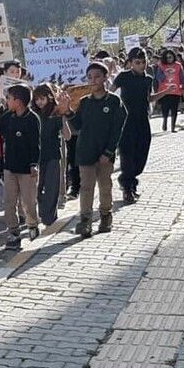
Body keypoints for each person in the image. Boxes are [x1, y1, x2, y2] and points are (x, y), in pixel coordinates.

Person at [0, 82, 41, 250]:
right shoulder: (7, 116)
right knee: (9, 201)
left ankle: (32, 224)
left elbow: (35, 144)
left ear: (18, 101)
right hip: (10, 167)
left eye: (9, 98)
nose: (6, 101)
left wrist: (34, 164)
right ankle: (13, 233)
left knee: (28, 201)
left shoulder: (32, 119)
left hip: (27, 169)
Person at [67, 63, 128, 238]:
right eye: (90, 77)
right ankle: (85, 221)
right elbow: (77, 125)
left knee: (105, 186)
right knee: (86, 187)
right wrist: (67, 112)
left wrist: (109, 152)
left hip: (104, 155)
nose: (93, 80)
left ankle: (105, 215)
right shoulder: (85, 102)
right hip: (86, 151)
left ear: (105, 77)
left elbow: (118, 128)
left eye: (97, 76)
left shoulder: (114, 101)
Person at [113, 49, 155, 203]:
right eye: (138, 62)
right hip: (126, 121)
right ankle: (127, 187)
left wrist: (166, 92)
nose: (141, 65)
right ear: (130, 63)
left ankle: (130, 180)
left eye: (144, 62)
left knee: (141, 154)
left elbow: (149, 98)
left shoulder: (148, 79)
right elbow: (111, 91)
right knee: (127, 155)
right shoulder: (123, 77)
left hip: (142, 120)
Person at [33, 84, 71, 227]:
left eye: (42, 98)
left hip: (53, 155)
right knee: (36, 189)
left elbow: (67, 136)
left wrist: (63, 116)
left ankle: (49, 218)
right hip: (36, 157)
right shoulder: (33, 114)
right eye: (36, 99)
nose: (39, 102)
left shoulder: (56, 114)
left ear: (49, 97)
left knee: (51, 188)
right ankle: (43, 212)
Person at [153, 50, 184, 132]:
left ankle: (173, 127)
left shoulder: (178, 66)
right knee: (165, 109)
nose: (169, 59)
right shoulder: (161, 66)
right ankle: (165, 121)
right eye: (167, 57)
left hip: (176, 91)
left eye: (170, 57)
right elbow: (158, 78)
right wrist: (165, 75)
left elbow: (182, 77)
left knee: (174, 109)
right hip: (164, 91)